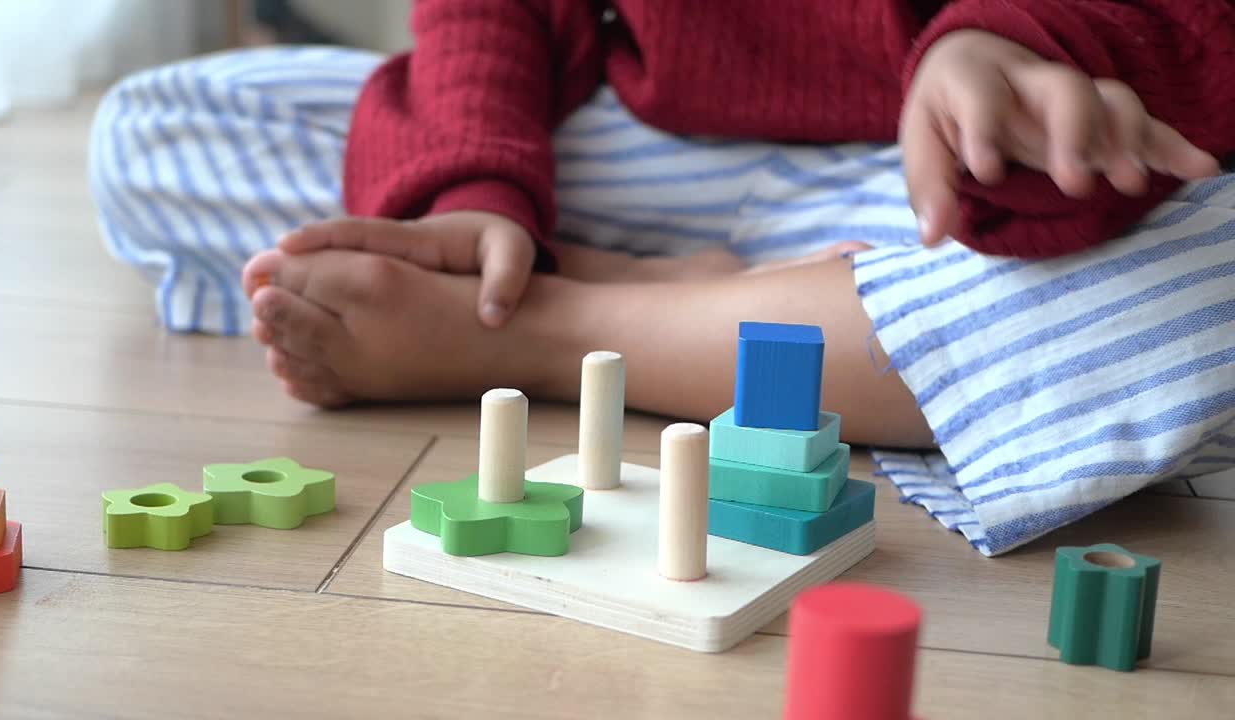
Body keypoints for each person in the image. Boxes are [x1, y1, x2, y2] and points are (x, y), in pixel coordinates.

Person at [89, 0, 1235, 555]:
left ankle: (535, 323)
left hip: (958, 155)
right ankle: (647, 285)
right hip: (640, 138)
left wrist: (1005, 41)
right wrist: (474, 186)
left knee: (1204, 277)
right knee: (158, 124)